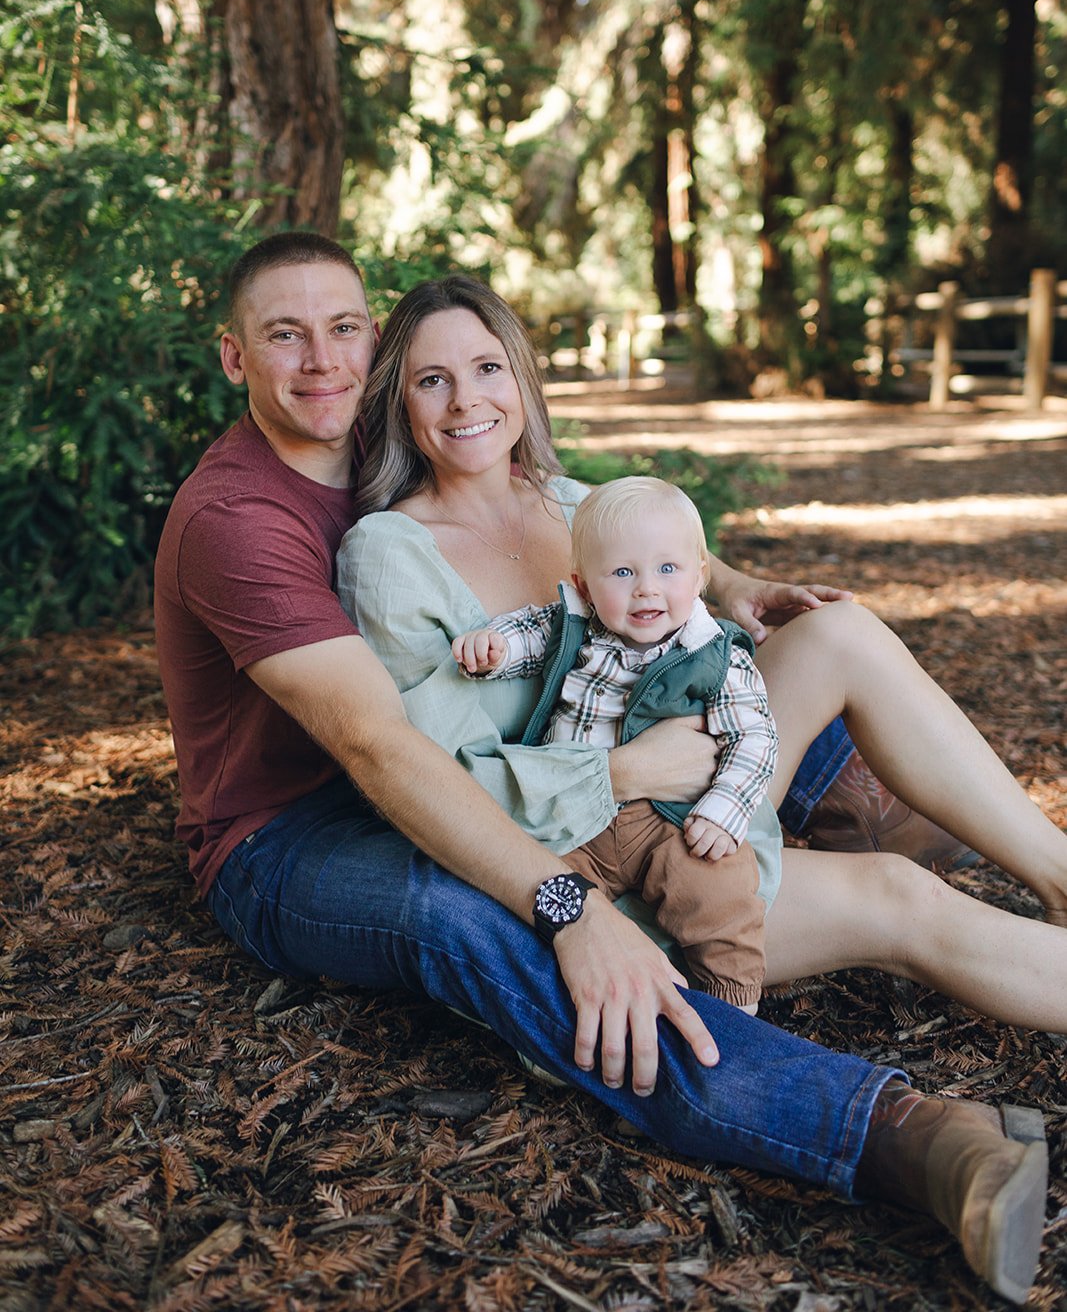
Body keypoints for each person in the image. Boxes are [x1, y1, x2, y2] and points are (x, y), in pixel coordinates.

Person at [154, 235, 1051, 1307]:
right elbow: (389, 755)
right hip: (340, 827)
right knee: (482, 917)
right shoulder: (288, 526)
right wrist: (578, 892)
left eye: (344, 328)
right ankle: (909, 1129)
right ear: (234, 356)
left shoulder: (479, 471)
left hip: (668, 804)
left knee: (835, 634)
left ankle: (1020, 858)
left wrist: (730, 578)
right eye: (283, 335)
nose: (321, 359)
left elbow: (634, 533)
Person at [451, 475, 779, 1012]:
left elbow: (754, 737)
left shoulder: (714, 654)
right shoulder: (576, 626)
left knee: (719, 890)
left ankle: (733, 1001)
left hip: (670, 820)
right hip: (575, 816)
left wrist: (724, 811)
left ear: (699, 577)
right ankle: (571, 1001)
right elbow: (527, 636)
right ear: (583, 585)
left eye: (667, 569)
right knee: (535, 899)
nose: (646, 588)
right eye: (623, 572)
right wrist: (493, 648)